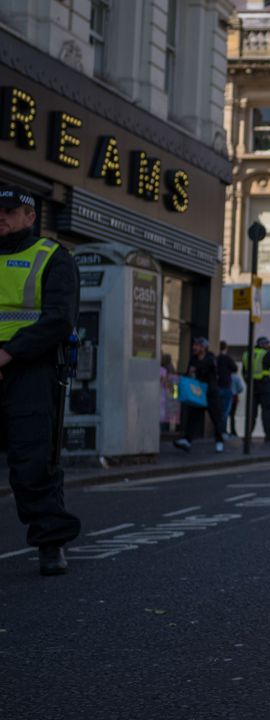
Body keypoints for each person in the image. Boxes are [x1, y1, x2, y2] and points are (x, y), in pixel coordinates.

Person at [0, 184, 80, 576]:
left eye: (9, 211)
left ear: (30, 216)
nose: (1, 217)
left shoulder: (51, 257)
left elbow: (59, 318)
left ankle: (51, 543)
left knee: (33, 460)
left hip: (30, 370)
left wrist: (9, 351)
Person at [174, 337, 225, 453]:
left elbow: (211, 371)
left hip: (211, 393)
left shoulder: (211, 358)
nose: (194, 348)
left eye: (197, 346)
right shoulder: (193, 359)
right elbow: (189, 372)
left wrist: (197, 369)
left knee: (216, 418)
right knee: (192, 417)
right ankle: (187, 440)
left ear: (203, 347)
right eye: (194, 345)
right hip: (198, 392)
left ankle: (219, 441)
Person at [242, 336, 270, 441]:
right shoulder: (264, 354)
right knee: (266, 411)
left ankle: (248, 435)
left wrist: (249, 384)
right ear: (262, 344)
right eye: (267, 344)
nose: (268, 346)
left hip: (252, 389)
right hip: (264, 387)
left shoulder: (246, 354)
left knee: (251, 413)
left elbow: (244, 372)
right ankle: (268, 435)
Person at [215, 340, 237, 436]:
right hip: (226, 387)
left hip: (217, 387)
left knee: (218, 410)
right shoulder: (227, 358)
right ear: (226, 348)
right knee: (225, 412)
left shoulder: (216, 359)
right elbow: (235, 368)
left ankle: (218, 431)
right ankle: (222, 431)